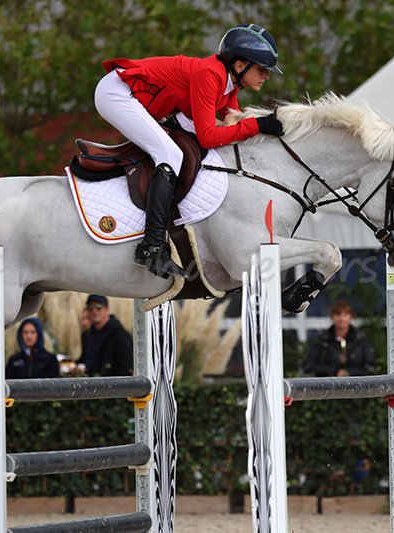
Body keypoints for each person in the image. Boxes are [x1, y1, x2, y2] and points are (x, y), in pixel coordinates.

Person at [95, 24, 284, 279]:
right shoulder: (211, 74)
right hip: (117, 94)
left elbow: (232, 117)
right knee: (171, 155)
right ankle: (151, 247)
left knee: (178, 146)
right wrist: (256, 124)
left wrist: (262, 125)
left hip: (137, 98)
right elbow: (208, 137)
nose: (267, 76)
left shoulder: (229, 83)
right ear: (240, 66)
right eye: (262, 70)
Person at [303, 301, 375, 377]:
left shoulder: (360, 340)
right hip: (328, 385)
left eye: (345, 315)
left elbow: (370, 367)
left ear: (351, 317)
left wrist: (349, 372)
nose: (341, 318)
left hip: (357, 385)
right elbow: (309, 366)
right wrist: (335, 371)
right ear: (332, 317)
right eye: (338, 314)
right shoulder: (322, 340)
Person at [77, 295, 133, 376]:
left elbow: (126, 367)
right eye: (90, 308)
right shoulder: (88, 335)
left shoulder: (119, 335)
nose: (94, 311)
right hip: (91, 383)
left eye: (98, 307)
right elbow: (85, 359)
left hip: (112, 385)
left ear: (107, 310)